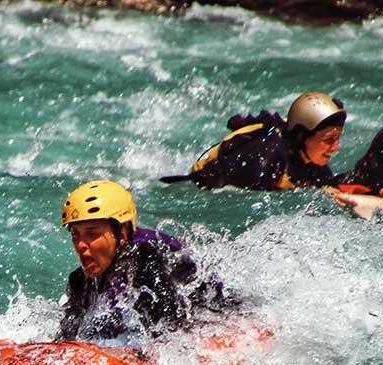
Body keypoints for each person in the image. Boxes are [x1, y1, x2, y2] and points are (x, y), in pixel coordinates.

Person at [57, 180, 225, 343]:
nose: (80, 244)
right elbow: (68, 338)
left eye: (92, 234)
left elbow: (171, 330)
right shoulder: (79, 281)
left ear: (122, 234)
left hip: (215, 316)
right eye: (75, 234)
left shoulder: (145, 258)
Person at [160, 91, 349, 191]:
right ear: (301, 136)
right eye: (329, 140)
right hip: (200, 185)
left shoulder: (313, 163)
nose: (335, 148)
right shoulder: (264, 160)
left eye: (337, 139)